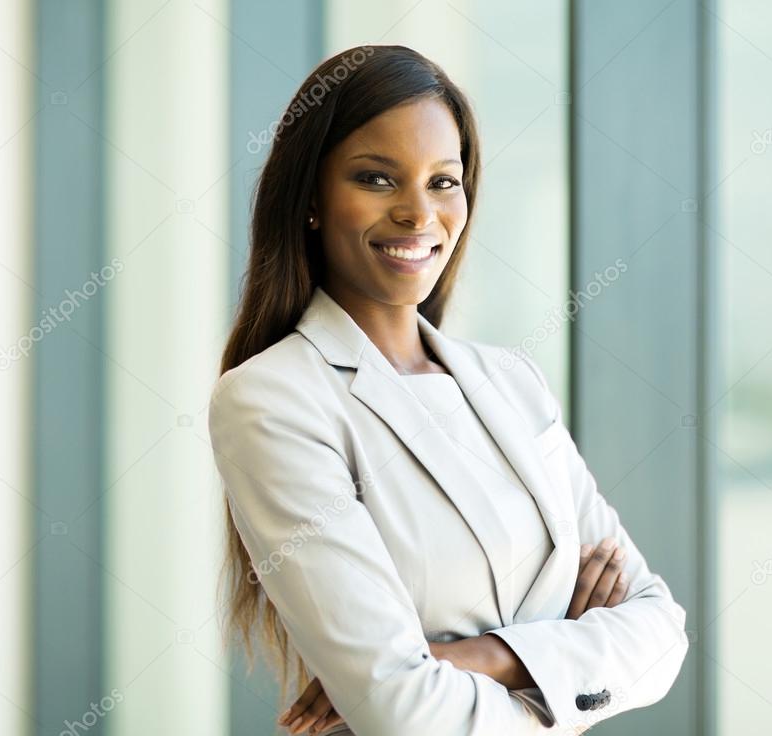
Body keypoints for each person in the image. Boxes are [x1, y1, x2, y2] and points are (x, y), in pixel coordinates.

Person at [207, 44, 688, 735]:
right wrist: (566, 660)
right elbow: (403, 711)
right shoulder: (273, 400)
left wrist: (478, 657)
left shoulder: (510, 383)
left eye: (443, 181)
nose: (417, 212)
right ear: (310, 199)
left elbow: (659, 633)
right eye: (376, 179)